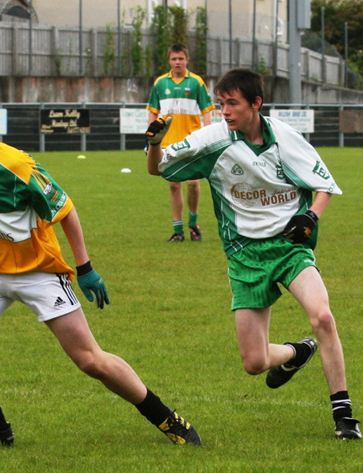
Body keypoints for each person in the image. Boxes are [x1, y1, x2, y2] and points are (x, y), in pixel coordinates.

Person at [0, 88, 201, 448]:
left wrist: (84, 267)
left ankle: (166, 417)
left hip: (39, 272)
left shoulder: (16, 166)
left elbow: (66, 209)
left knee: (90, 360)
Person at [146, 68, 361, 440]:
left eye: (232, 104)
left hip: (289, 247)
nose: (224, 111)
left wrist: (310, 215)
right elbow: (157, 170)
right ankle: (296, 353)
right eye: (221, 103)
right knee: (254, 363)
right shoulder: (213, 140)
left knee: (323, 316)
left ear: (255, 104)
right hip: (244, 254)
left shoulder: (285, 138)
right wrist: (153, 144)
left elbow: (324, 184)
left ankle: (344, 416)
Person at [146, 43, 215, 243]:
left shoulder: (196, 82)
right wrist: (150, 138)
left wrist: (208, 135)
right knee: (174, 185)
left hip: (192, 141)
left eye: (181, 59)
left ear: (187, 60)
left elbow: (207, 111)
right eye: (174, 59)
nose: (177, 62)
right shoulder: (160, 83)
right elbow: (153, 111)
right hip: (167, 143)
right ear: (170, 61)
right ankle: (178, 230)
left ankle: (193, 223)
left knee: (193, 183)